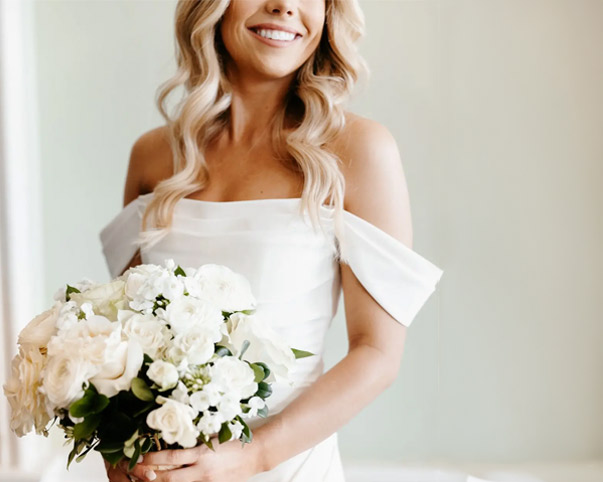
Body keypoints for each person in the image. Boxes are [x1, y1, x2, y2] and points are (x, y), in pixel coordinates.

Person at [99, 0, 444, 480]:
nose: (284, 6)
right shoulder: (154, 156)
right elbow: (130, 343)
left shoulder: (359, 150)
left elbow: (378, 354)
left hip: (288, 467)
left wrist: (251, 456)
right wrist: (121, 445)